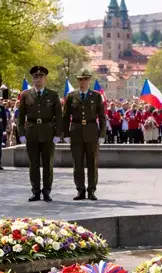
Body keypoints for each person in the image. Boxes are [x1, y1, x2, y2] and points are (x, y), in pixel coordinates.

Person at [17, 66, 62, 202]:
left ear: (45, 78)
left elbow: (58, 116)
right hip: (31, 131)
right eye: (36, 77)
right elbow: (21, 116)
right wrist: (22, 133)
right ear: (33, 79)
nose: (39, 79)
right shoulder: (25, 94)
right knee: (34, 164)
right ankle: (36, 191)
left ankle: (47, 191)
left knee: (48, 164)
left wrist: (57, 134)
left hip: (48, 132)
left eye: (41, 77)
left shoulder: (53, 95)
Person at [62, 69, 106, 201]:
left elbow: (102, 117)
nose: (83, 82)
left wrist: (102, 134)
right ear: (78, 80)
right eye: (81, 79)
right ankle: (80, 190)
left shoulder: (96, 96)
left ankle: (91, 190)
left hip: (92, 132)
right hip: (76, 131)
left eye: (85, 79)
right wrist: (66, 133)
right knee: (78, 164)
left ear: (89, 80)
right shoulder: (71, 96)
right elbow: (65, 117)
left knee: (92, 163)